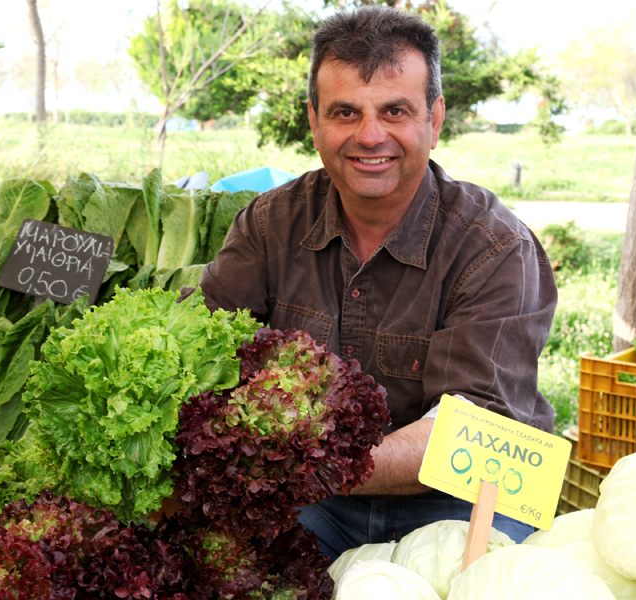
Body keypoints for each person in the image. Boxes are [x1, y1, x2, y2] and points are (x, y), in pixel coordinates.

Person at [196, 6, 558, 561]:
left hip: (462, 499)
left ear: (434, 121)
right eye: (345, 112)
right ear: (314, 120)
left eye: (395, 111)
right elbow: (201, 348)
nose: (370, 136)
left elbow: (470, 434)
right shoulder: (270, 224)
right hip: (315, 501)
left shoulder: (494, 247)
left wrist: (304, 462)